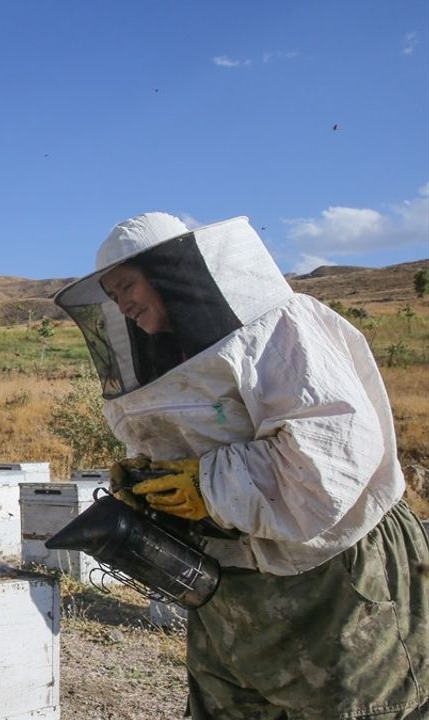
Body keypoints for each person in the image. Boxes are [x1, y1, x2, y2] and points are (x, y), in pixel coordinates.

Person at [55, 212, 427, 719]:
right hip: (229, 583)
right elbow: (197, 437)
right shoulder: (171, 354)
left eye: (127, 286)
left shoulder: (282, 326)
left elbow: (330, 452)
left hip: (333, 571)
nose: (122, 303)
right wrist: (148, 478)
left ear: (171, 273)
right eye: (113, 295)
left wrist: (207, 484)